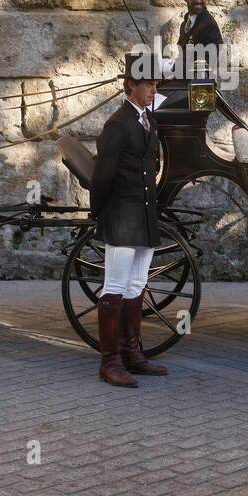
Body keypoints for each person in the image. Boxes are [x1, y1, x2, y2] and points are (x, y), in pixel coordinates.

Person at [87, 52, 170, 387]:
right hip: (122, 218)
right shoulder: (118, 124)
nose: (153, 89)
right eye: (148, 84)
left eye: (154, 84)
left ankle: (131, 353)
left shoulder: (146, 120)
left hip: (144, 216)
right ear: (131, 86)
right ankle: (110, 362)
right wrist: (100, 214)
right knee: (115, 288)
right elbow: (102, 177)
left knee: (137, 286)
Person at [175, 0, 222, 76]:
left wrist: (173, 67)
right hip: (184, 80)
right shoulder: (186, 24)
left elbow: (206, 65)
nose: (198, 0)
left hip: (200, 86)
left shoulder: (208, 26)